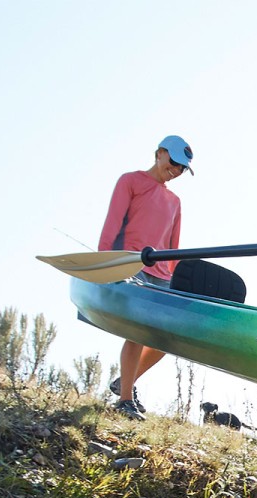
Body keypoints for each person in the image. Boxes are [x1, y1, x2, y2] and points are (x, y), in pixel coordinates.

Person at [98, 135, 194, 421]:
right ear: (160, 153)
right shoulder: (131, 181)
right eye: (174, 162)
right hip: (133, 266)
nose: (176, 170)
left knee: (167, 339)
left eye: (182, 168)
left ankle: (123, 383)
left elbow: (173, 245)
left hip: (162, 276)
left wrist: (175, 280)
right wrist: (105, 263)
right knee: (137, 332)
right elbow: (113, 221)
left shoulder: (174, 201)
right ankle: (125, 400)